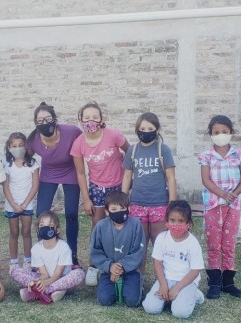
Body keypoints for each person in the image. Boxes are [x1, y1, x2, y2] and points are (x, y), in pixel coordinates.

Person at [70, 101, 130, 286]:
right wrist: (86, 198)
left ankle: (123, 264)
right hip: (97, 187)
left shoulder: (113, 135)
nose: (91, 121)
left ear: (101, 119)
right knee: (98, 227)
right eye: (86, 117)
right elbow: (80, 173)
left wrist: (127, 187)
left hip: (118, 185)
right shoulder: (79, 143)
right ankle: (94, 265)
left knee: (121, 224)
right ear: (81, 120)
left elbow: (131, 154)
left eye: (95, 117)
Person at [198, 115, 241, 299]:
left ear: (231, 133)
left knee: (229, 243)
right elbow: (205, 180)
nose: (220, 135)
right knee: (213, 243)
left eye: (224, 132)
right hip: (213, 206)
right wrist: (222, 194)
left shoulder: (239, 154)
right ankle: (214, 282)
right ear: (211, 134)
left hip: (233, 206)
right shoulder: (206, 156)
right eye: (216, 132)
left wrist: (233, 195)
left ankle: (228, 282)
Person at [26, 102, 82, 266]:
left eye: (48, 119)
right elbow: (24, 156)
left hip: (70, 170)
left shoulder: (71, 131)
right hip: (48, 173)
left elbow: (85, 142)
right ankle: (44, 254)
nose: (44, 123)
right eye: (40, 120)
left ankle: (71, 255)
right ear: (35, 123)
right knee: (41, 214)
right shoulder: (34, 140)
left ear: (55, 119)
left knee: (71, 214)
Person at [122, 112, 177, 274]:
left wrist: (172, 202)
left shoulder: (163, 150)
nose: (146, 131)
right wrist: (123, 199)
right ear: (137, 130)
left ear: (157, 129)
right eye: (142, 128)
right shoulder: (132, 150)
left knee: (160, 243)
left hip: (159, 204)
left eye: (150, 128)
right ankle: (138, 278)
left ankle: (166, 278)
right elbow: (127, 176)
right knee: (140, 244)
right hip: (137, 204)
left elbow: (171, 178)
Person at [142, 200, 205, 319]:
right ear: (167, 221)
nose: (176, 224)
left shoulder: (193, 243)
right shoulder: (162, 238)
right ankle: (171, 296)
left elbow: (195, 271)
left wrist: (176, 288)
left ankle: (194, 294)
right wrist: (163, 285)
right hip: (166, 279)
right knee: (150, 308)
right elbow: (158, 263)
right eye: (172, 220)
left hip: (186, 282)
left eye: (181, 221)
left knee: (180, 313)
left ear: (189, 223)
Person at [10, 211, 84, 304]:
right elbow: (44, 274)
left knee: (79, 273)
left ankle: (39, 291)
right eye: (42, 225)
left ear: (57, 230)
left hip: (62, 280)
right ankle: (40, 289)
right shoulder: (36, 249)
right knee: (14, 271)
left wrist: (45, 284)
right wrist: (38, 281)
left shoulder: (63, 247)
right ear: (38, 229)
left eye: (50, 225)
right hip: (46, 278)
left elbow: (58, 275)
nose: (45, 228)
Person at [90, 191, 145, 307]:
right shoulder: (101, 226)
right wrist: (110, 266)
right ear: (106, 211)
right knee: (105, 300)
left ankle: (138, 283)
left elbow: (138, 251)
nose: (118, 212)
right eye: (113, 209)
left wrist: (121, 267)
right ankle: (110, 284)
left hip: (131, 270)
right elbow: (96, 252)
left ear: (128, 209)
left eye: (122, 208)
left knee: (132, 301)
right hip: (108, 269)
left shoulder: (135, 224)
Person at [3, 132, 40, 272]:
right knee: (13, 232)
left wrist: (24, 204)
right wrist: (14, 205)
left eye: (20, 145)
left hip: (27, 204)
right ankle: (13, 261)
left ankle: (27, 260)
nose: (17, 148)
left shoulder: (32, 164)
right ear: (9, 147)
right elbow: (5, 186)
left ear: (26, 146)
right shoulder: (7, 164)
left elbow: (35, 185)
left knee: (26, 232)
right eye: (14, 146)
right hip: (11, 204)